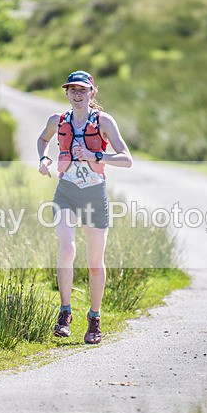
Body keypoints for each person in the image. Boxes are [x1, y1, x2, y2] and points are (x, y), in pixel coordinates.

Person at [37, 70, 133, 344]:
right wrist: (43, 159)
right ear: (66, 93)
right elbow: (42, 140)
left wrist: (95, 155)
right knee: (67, 251)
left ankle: (94, 318)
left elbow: (127, 159)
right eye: (72, 90)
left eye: (82, 90)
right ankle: (65, 313)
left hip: (94, 194)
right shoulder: (57, 120)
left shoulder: (104, 121)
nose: (77, 94)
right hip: (66, 192)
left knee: (94, 264)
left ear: (92, 93)